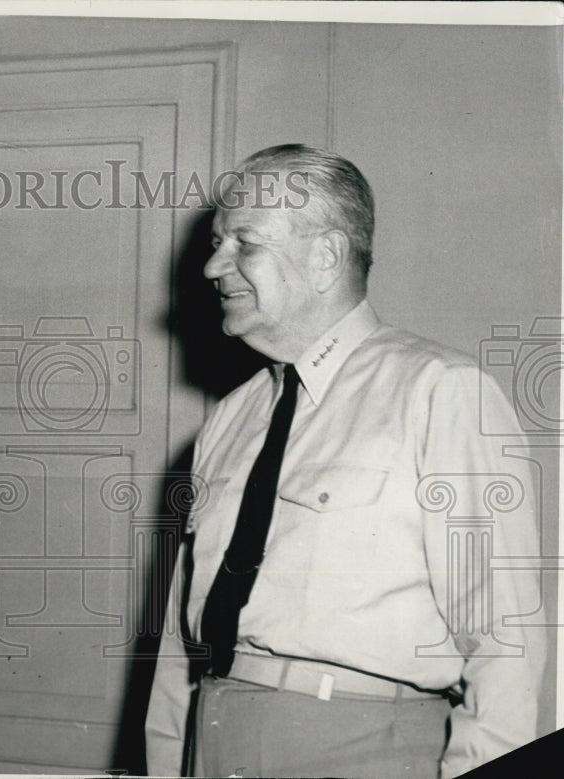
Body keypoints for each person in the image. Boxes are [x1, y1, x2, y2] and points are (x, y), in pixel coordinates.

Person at [145, 145, 545, 778]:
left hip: (366, 747)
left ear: (326, 255)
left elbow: (506, 643)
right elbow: (178, 642)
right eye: (217, 242)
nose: (213, 266)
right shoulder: (231, 417)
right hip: (214, 730)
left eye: (243, 242)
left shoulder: (439, 391)